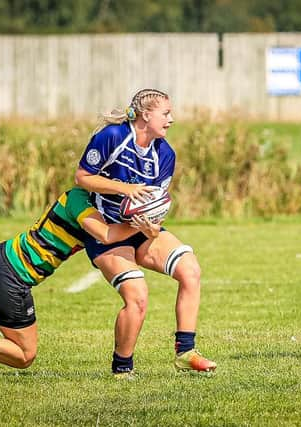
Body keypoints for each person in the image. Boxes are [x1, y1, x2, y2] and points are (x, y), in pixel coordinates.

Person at [0, 187, 159, 368]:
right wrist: (142, 227)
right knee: (25, 356)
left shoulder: (77, 197)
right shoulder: (79, 201)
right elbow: (106, 235)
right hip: (13, 277)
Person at [74, 88, 216, 376]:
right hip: (106, 228)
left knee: (190, 269)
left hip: (140, 228)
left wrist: (152, 228)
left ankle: (185, 352)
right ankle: (122, 368)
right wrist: (125, 189)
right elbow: (82, 178)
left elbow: (155, 203)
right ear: (145, 115)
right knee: (137, 296)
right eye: (166, 113)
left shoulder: (165, 154)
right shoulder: (113, 137)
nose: (171, 119)